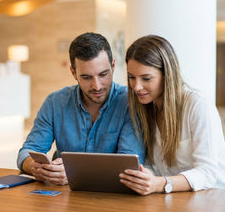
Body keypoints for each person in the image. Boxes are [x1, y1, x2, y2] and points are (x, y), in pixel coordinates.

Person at [17, 32, 145, 185]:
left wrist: (74, 173)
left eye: (103, 74)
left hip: (112, 198)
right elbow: (27, 151)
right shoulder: (55, 102)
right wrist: (35, 167)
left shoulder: (130, 103)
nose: (97, 86)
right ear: (73, 72)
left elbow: (129, 166)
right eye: (86, 77)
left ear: (113, 66)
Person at [119, 35, 225, 195]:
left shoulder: (197, 105)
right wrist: (145, 177)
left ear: (167, 75)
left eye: (146, 78)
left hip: (217, 197)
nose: (137, 87)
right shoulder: (146, 108)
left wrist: (160, 184)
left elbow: (207, 173)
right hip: (177, 199)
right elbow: (153, 166)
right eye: (131, 77)